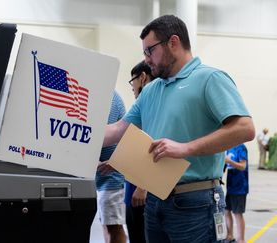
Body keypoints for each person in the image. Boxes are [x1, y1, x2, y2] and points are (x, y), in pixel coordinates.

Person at [103, 15, 255, 243]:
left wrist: (185, 148)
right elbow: (117, 130)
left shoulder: (209, 79)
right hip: (154, 202)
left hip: (196, 203)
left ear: (173, 42)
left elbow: (245, 128)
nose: (146, 59)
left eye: (150, 51)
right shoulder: (152, 90)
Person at [125, 60, 154, 243]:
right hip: (133, 186)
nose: (132, 86)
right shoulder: (141, 107)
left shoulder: (152, 106)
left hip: (141, 192)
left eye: (132, 81)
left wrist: (143, 186)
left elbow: (153, 149)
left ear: (142, 77)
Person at [96, 91, 127, 243]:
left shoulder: (110, 97)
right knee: (107, 225)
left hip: (111, 177)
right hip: (101, 176)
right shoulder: (102, 96)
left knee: (113, 226)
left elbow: (100, 133)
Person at [224, 144, 249, 243]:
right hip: (230, 186)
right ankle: (230, 236)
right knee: (226, 211)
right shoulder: (228, 148)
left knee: (238, 213)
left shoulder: (241, 147)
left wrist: (229, 161)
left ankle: (241, 240)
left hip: (240, 187)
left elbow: (243, 166)